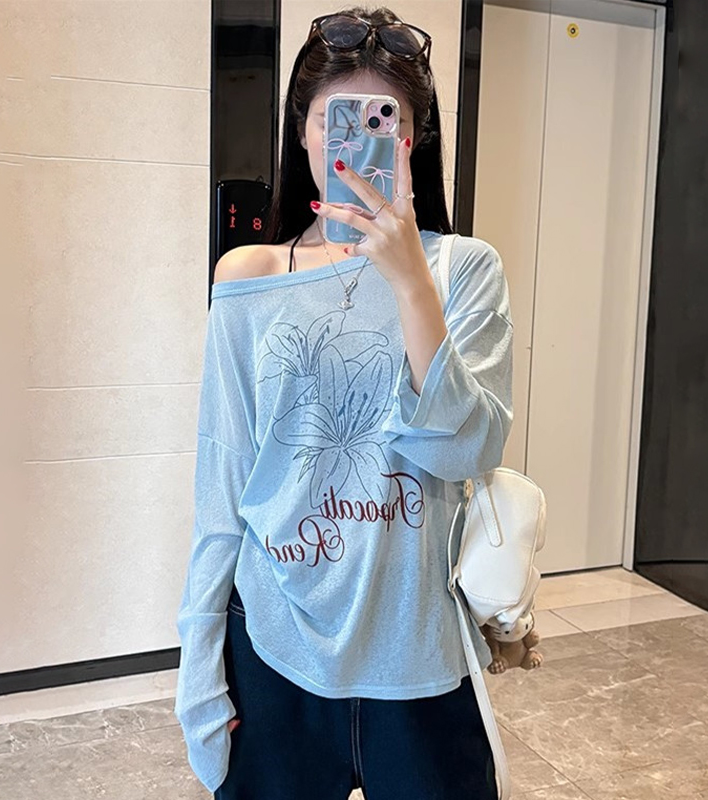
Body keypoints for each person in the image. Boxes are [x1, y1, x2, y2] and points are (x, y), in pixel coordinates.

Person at [174, 6, 513, 799]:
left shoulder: (463, 270)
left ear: (412, 140)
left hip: (419, 658)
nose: (354, 141)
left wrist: (410, 283)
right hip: (275, 651)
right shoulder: (248, 277)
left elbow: (467, 449)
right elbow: (223, 488)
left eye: (381, 121)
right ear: (301, 132)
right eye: (335, 120)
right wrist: (198, 672)